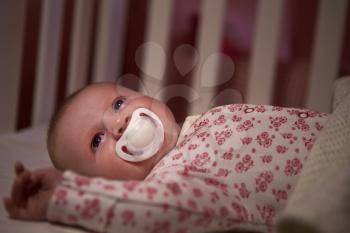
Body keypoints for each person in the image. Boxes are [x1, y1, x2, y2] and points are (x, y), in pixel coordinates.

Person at [3, 82, 329, 233]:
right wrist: (64, 197)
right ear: (102, 187)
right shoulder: (174, 183)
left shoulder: (206, 121)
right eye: (97, 140)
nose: (119, 122)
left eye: (117, 104)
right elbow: (156, 212)